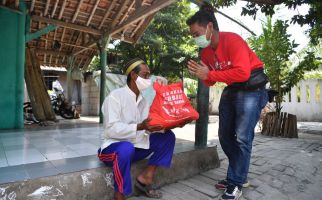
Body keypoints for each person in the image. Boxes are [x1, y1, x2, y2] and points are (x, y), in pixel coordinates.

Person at [186, 4, 268, 200]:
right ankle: (238, 174)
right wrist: (201, 74)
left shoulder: (232, 40)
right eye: (192, 35)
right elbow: (211, 80)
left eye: (196, 33)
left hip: (251, 89)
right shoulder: (205, 53)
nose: (194, 38)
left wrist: (210, 72)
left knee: (242, 138)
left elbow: (242, 72)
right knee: (224, 136)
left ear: (210, 28)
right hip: (232, 88)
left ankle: (236, 181)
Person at [97, 58, 179, 200]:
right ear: (134, 76)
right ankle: (119, 194)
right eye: (145, 75)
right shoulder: (115, 97)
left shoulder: (143, 101)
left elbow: (148, 127)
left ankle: (145, 178)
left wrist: (170, 124)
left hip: (135, 147)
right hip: (112, 150)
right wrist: (140, 126)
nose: (148, 79)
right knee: (126, 148)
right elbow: (111, 129)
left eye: (149, 75)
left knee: (168, 137)